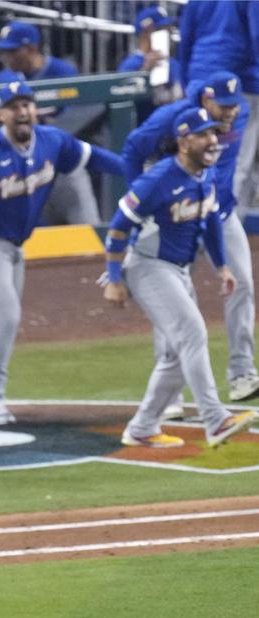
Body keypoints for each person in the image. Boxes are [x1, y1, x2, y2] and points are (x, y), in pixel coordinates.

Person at [0, 82, 124, 424]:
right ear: (0, 114)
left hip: (14, 245)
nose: (22, 112)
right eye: (14, 106)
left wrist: (137, 172)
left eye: (27, 104)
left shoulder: (52, 140)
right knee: (6, 317)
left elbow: (94, 158)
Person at [103, 107, 258, 449]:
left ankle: (143, 426)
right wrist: (114, 278)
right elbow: (117, 227)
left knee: (176, 356)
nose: (213, 140)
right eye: (204, 134)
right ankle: (216, 419)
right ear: (184, 140)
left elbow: (212, 221)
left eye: (215, 133)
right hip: (148, 266)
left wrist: (222, 266)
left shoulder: (207, 174)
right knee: (192, 332)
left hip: (179, 269)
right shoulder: (157, 179)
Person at [123, 72, 259, 406]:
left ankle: (242, 373)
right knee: (173, 302)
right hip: (175, 219)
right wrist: (142, 200)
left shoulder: (239, 114)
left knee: (242, 284)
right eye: (222, 106)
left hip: (218, 213)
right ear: (205, 99)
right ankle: (170, 398)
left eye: (233, 105)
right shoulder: (172, 118)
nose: (229, 113)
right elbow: (132, 150)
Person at [0, 21, 100, 226]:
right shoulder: (4, 78)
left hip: (63, 168)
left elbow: (84, 115)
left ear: (32, 49)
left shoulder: (62, 72)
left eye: (13, 51)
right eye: (4, 51)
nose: (6, 57)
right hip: (25, 173)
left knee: (88, 235)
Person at [177, 1, 259, 208]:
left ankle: (194, 221)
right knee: (237, 162)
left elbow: (184, 41)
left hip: (200, 83)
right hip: (237, 87)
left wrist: (188, 85)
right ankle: (222, 226)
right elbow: (257, 35)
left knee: (197, 157)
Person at [117, 5, 183, 121]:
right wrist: (144, 72)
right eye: (163, 29)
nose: (169, 34)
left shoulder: (173, 63)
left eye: (169, 29)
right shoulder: (131, 65)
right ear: (146, 33)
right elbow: (121, 105)